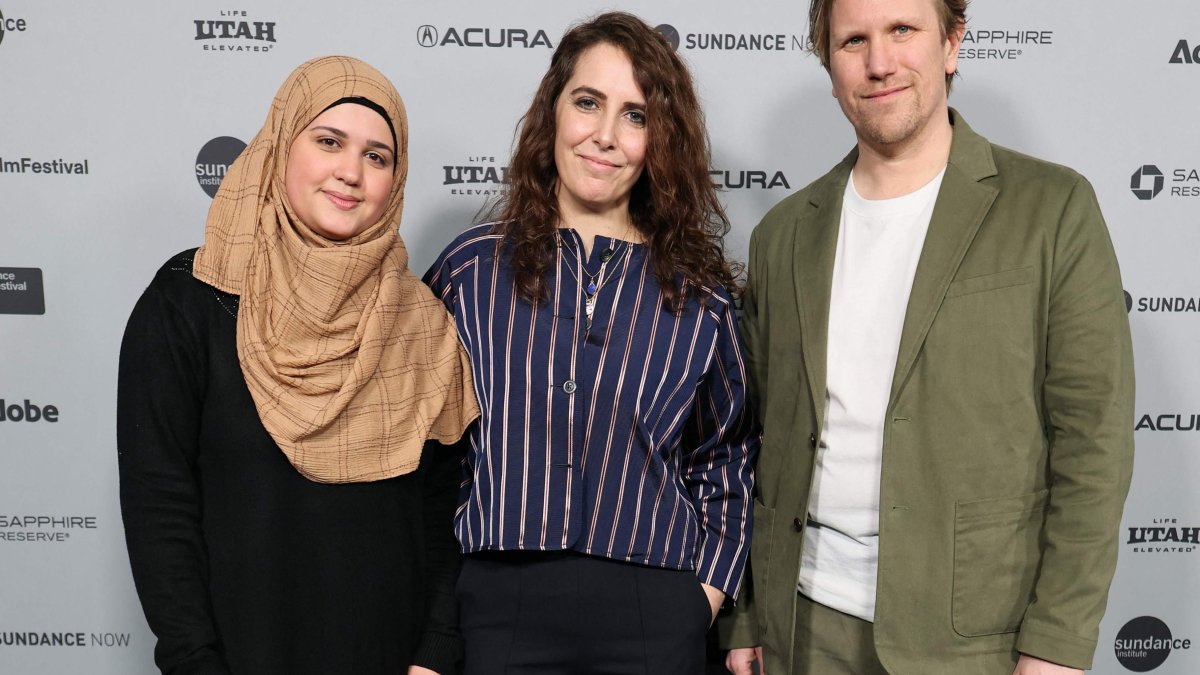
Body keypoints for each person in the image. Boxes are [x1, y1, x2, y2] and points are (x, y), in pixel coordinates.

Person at [721, 0, 1134, 673]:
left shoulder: (1053, 209)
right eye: (853, 40)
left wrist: (1056, 642)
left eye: (902, 31)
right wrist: (746, 614)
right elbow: (749, 441)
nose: (880, 62)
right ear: (830, 67)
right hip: (802, 624)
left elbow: (1095, 445)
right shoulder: (784, 234)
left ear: (951, 43)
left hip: (975, 639)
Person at [118, 55, 477, 675]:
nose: (351, 173)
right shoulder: (190, 302)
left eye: (378, 156)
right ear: (282, 146)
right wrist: (194, 663)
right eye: (329, 141)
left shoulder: (422, 323)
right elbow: (160, 508)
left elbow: (444, 511)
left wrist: (436, 651)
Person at [424, 12, 758, 674]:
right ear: (554, 112)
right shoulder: (470, 270)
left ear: (660, 140)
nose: (605, 135)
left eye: (635, 116)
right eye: (588, 103)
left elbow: (729, 453)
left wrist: (705, 596)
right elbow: (429, 453)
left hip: (654, 612)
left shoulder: (703, 298)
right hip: (498, 605)